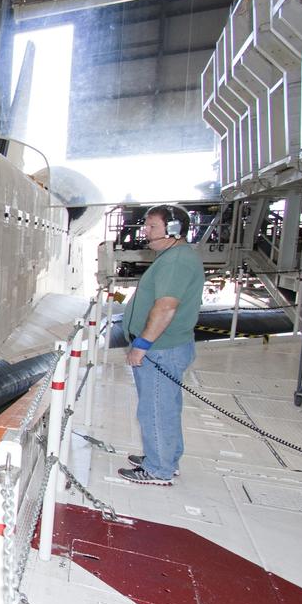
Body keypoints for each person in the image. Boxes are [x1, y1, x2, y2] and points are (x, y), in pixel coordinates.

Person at [118, 204, 204, 486]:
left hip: (160, 350)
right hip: (167, 348)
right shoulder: (175, 256)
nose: (146, 231)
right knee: (166, 405)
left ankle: (158, 469)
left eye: (152, 226)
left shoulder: (175, 261)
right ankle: (166, 457)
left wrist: (141, 345)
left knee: (154, 408)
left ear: (174, 229)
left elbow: (166, 307)